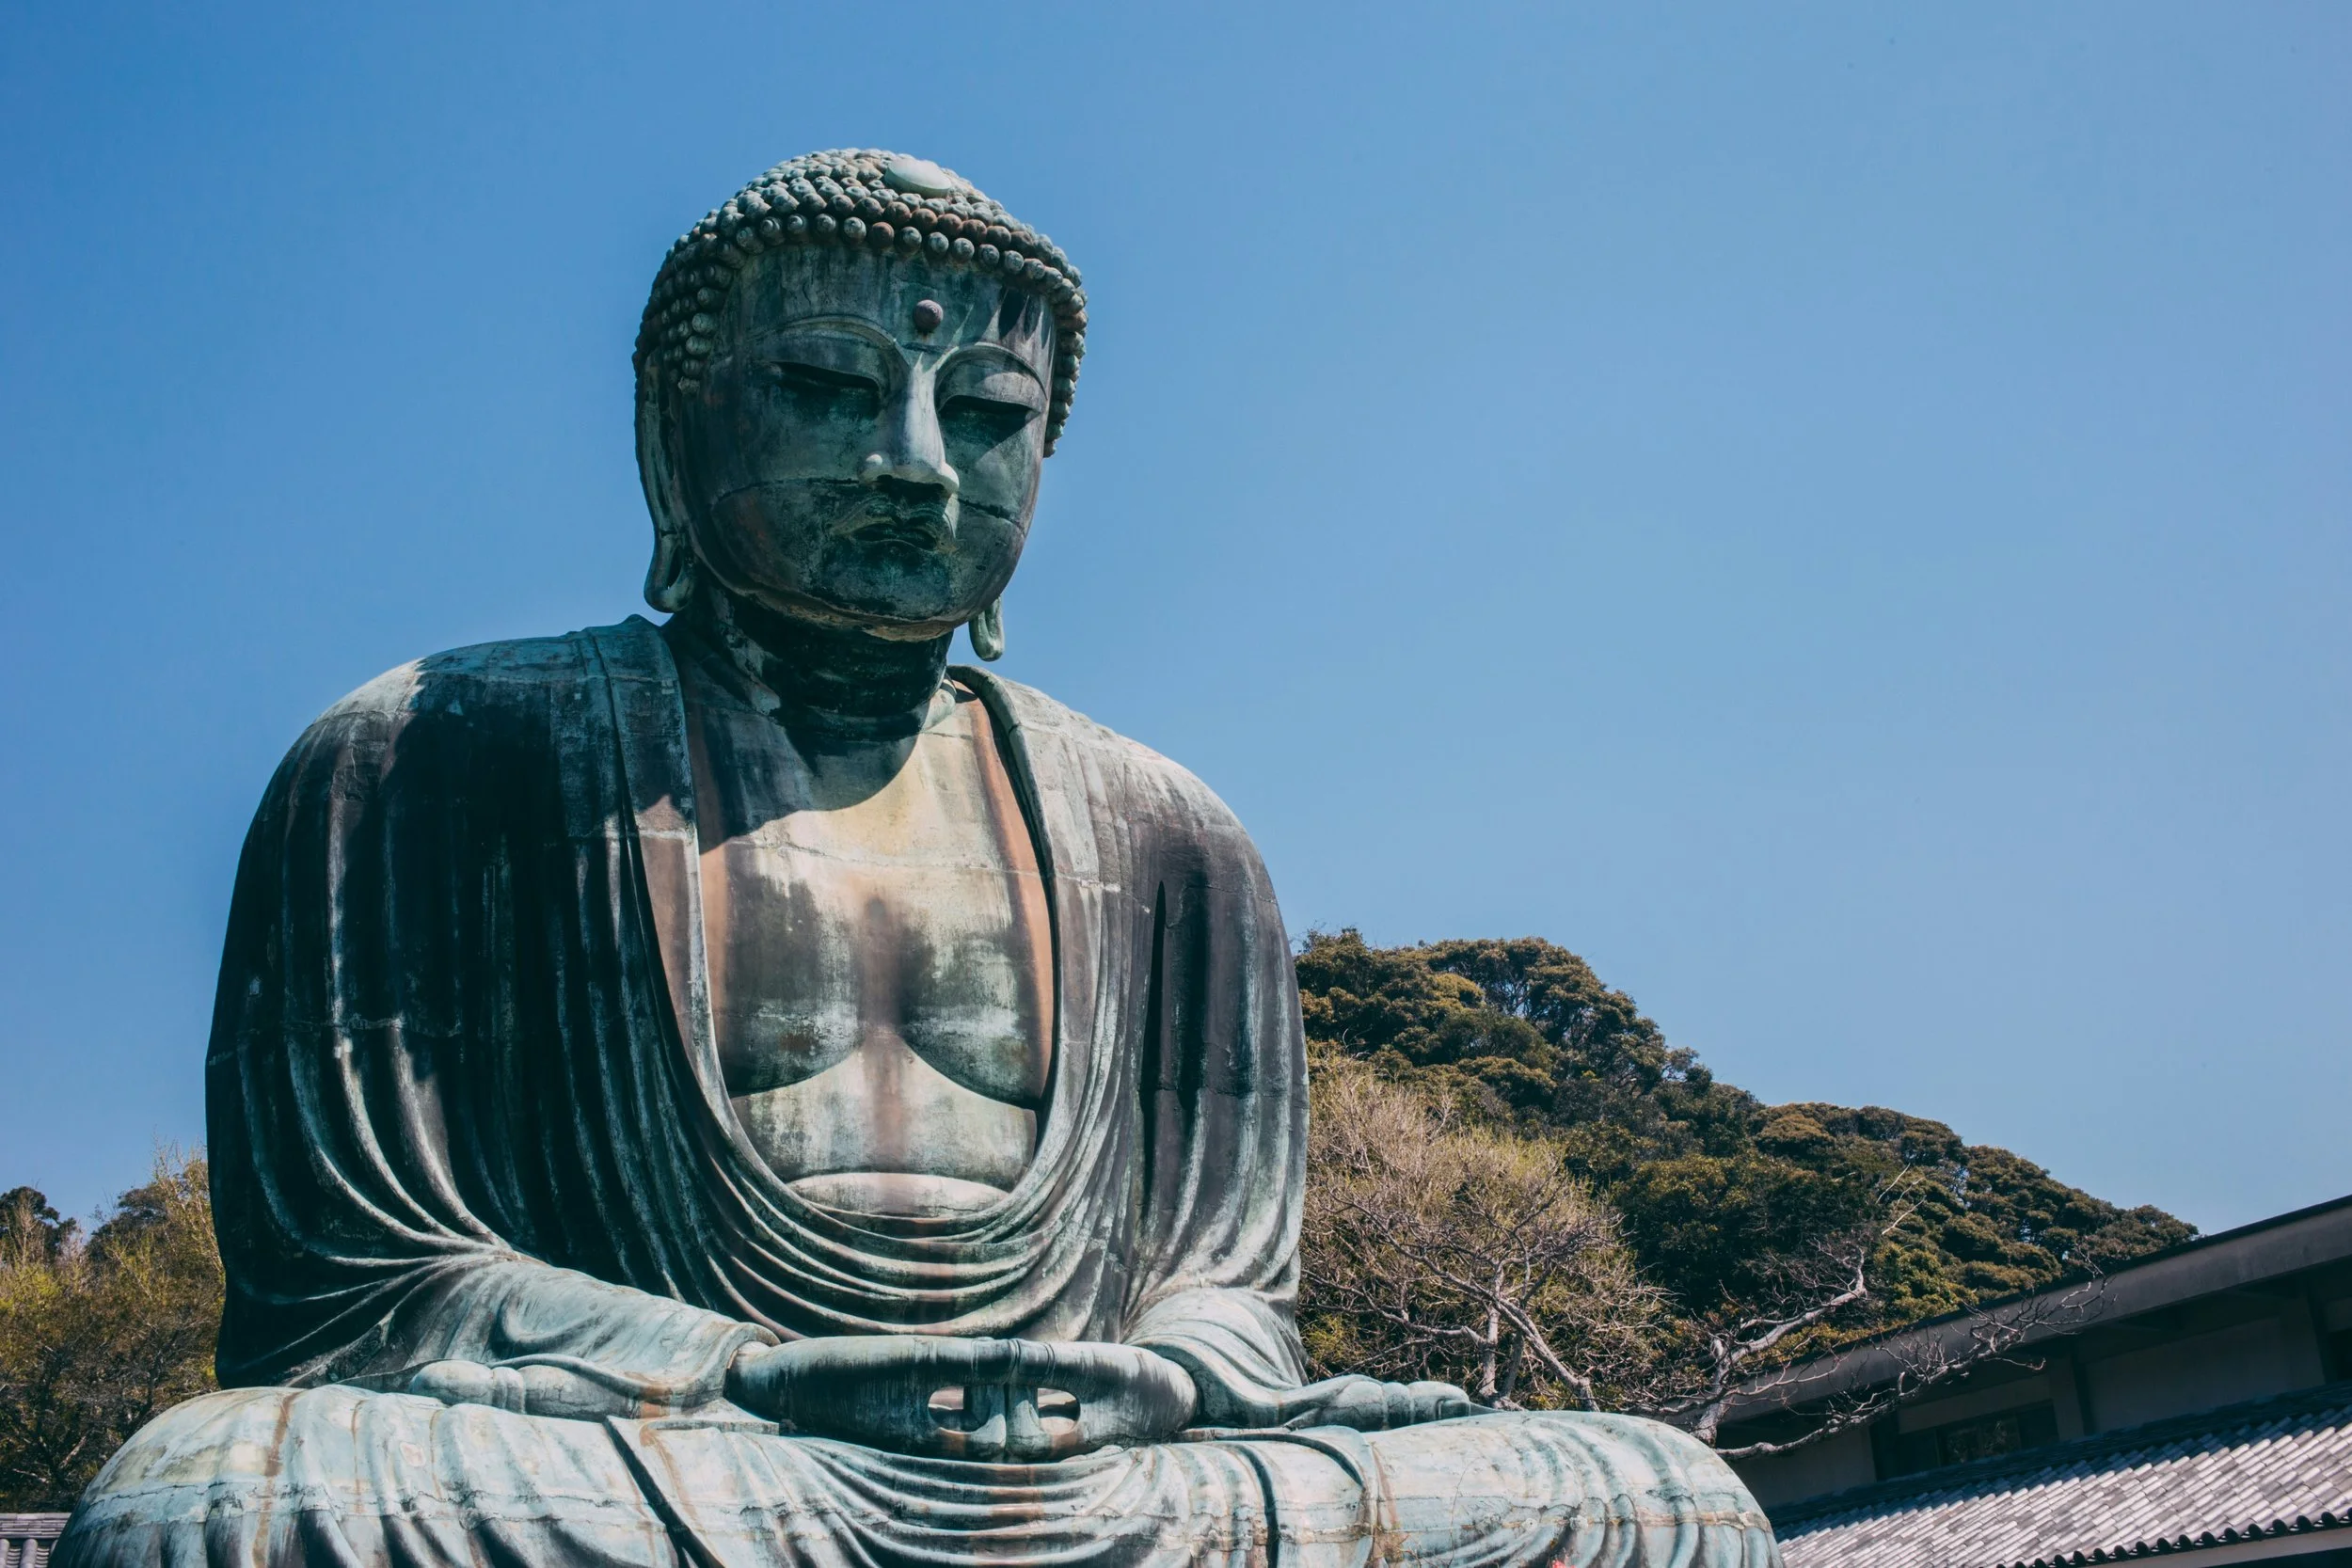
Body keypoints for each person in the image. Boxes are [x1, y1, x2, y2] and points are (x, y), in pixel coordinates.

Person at [58, 150, 1778, 1568]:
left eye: (986, 411)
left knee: (1666, 1501)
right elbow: (360, 1286)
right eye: (824, 387)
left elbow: (1225, 1289)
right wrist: (750, 1369)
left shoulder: (1171, 834)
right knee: (208, 1505)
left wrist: (1163, 1385)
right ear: (676, 427)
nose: (912, 461)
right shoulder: (430, 755)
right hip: (693, 1465)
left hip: (1116, 1480)